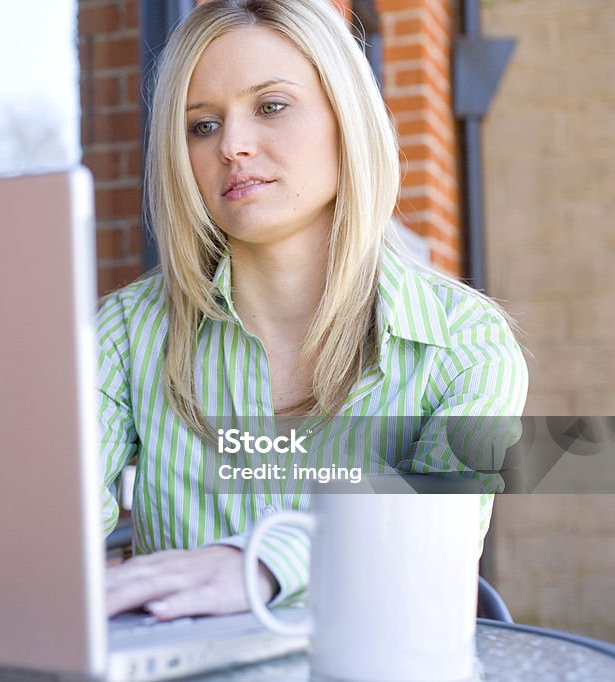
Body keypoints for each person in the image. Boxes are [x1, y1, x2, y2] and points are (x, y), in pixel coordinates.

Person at [99, 0, 528, 620]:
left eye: (271, 107)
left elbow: (431, 536)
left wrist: (259, 563)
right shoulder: (122, 335)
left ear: (344, 119)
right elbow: (46, 528)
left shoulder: (464, 345)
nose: (233, 146)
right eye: (202, 125)